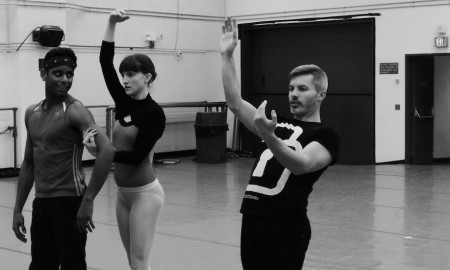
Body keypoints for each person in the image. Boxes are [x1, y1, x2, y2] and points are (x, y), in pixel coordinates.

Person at [220, 18, 340, 269]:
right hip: (252, 220)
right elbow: (236, 104)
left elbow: (301, 165)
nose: (294, 94)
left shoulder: (326, 135)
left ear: (321, 94)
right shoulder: (277, 122)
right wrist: (227, 57)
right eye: (291, 88)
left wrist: (269, 136)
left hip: (286, 226)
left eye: (303, 88)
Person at [11, 47, 115, 270]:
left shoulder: (75, 110)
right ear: (43, 74)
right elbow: (29, 163)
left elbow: (107, 150)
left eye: (70, 74)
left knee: (72, 265)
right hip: (42, 203)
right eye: (58, 73)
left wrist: (88, 200)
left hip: (70, 202)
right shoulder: (32, 112)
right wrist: (18, 208)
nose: (65, 79)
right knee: (40, 265)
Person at [84, 8, 166, 270]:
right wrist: (110, 23)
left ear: (148, 78)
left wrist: (101, 151)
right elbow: (105, 63)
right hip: (122, 194)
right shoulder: (123, 102)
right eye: (124, 75)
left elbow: (136, 156)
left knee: (140, 263)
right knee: (132, 262)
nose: (125, 80)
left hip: (145, 195)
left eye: (131, 75)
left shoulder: (154, 114)